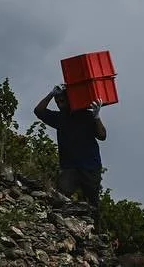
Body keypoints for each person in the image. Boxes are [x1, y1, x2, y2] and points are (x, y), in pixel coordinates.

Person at [33, 84, 106, 221]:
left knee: (93, 203)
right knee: (60, 196)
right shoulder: (60, 118)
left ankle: (96, 230)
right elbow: (39, 111)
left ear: (70, 99)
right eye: (57, 101)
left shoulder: (86, 116)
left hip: (90, 167)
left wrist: (96, 117)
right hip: (70, 167)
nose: (59, 104)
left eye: (62, 100)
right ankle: (59, 223)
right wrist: (51, 94)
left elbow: (102, 135)